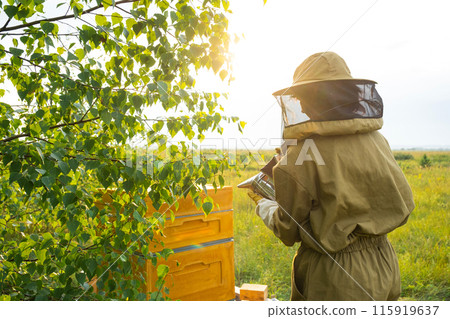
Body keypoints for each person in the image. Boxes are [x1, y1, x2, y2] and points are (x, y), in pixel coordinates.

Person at [249, 52, 415, 301]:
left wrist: (263, 204)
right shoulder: (377, 140)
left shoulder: (304, 150)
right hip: (384, 264)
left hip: (336, 277)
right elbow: (403, 201)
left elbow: (287, 227)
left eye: (302, 98)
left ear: (309, 100)